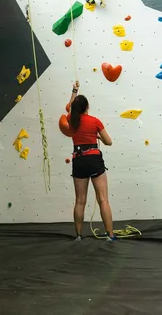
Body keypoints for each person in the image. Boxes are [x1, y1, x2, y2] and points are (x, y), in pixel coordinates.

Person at [59, 81, 115, 241]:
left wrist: (74, 90)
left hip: (79, 161)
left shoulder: (72, 120)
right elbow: (109, 142)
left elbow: (69, 107)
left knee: (80, 201)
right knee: (103, 199)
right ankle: (110, 235)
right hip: (94, 159)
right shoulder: (95, 121)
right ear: (87, 107)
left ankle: (78, 236)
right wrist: (98, 137)